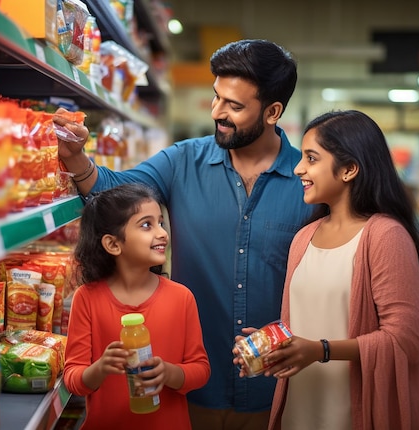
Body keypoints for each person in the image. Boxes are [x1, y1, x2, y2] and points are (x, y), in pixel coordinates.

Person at [54, 39, 314, 430]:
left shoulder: (309, 180)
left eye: (235, 106)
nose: (217, 113)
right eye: (216, 98)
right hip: (189, 387)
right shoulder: (182, 161)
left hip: (275, 387)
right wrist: (75, 157)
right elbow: (114, 193)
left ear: (273, 111)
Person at [235, 110, 419, 430]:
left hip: (352, 411)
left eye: (312, 158)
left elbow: (404, 341)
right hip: (300, 407)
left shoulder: (385, 236)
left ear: (350, 169)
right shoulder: (303, 238)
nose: (299, 168)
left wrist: (320, 350)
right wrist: (273, 344)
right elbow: (311, 317)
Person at [62, 183, 210, 430]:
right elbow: (73, 379)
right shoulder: (86, 299)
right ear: (113, 244)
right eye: (146, 225)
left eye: (161, 223)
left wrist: (169, 373)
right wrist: (99, 369)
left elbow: (201, 370)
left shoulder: (181, 298)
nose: (162, 233)